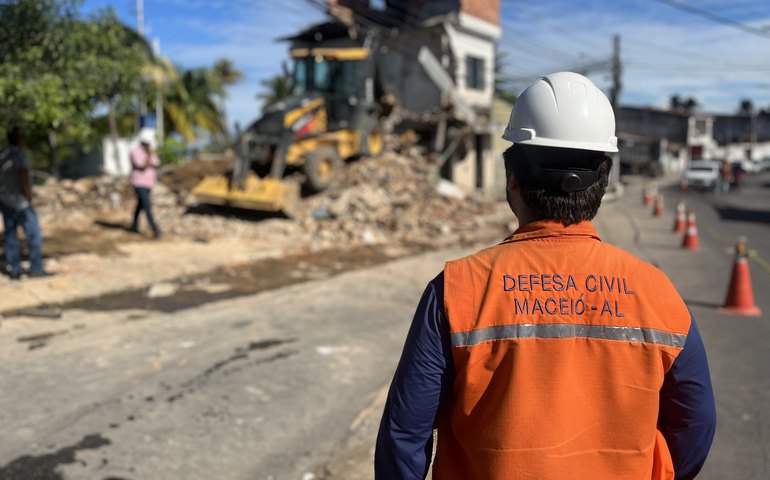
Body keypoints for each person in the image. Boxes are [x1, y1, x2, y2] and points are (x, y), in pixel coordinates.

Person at [375, 72, 716, 479]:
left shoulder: (456, 289)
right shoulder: (657, 292)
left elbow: (405, 433)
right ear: (603, 181)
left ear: (512, 178)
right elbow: (695, 422)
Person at [0, 128, 51, 280]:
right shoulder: (19, 154)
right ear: (18, 138)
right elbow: (23, 174)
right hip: (21, 202)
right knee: (33, 233)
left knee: (10, 234)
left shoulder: (2, 154)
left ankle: (14, 269)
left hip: (5, 200)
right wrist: (29, 195)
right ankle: (36, 268)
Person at [129, 129, 162, 238]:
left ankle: (134, 225)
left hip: (149, 183)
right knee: (147, 205)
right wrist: (149, 156)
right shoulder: (135, 151)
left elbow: (157, 162)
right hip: (139, 182)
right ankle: (155, 228)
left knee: (141, 204)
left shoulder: (151, 151)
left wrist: (151, 154)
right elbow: (141, 166)